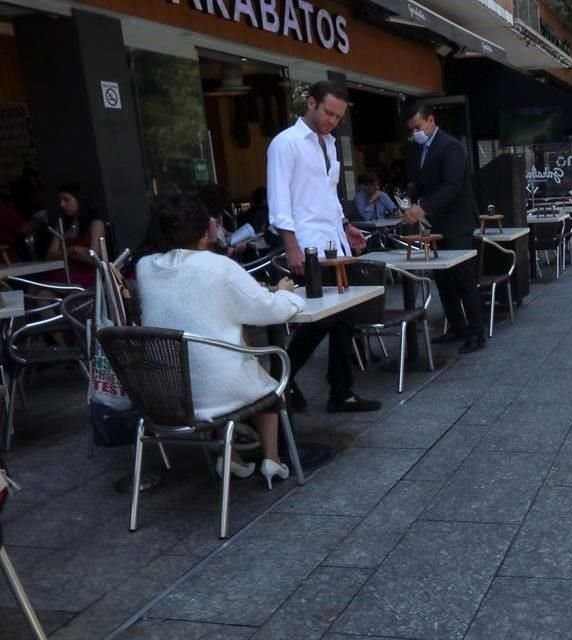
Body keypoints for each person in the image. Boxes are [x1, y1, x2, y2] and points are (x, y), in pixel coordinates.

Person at [137, 194, 302, 488]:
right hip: (217, 390)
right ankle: (272, 460)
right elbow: (267, 309)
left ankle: (232, 457)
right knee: (267, 380)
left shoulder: (145, 268)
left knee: (210, 359)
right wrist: (285, 292)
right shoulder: (219, 267)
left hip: (164, 395)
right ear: (204, 232)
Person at [266, 81, 380, 413]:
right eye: (328, 113)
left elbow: (328, 195)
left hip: (335, 243)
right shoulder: (285, 144)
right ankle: (281, 378)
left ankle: (341, 392)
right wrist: (292, 247)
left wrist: (346, 226)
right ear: (311, 103)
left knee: (343, 318)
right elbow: (279, 199)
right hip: (308, 245)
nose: (332, 121)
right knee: (321, 319)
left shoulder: (329, 145)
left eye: (338, 116)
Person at [403, 102, 485, 354]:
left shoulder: (450, 147)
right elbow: (423, 180)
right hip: (437, 224)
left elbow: (452, 185)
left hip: (457, 222)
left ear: (430, 120)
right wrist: (410, 195)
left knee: (463, 279)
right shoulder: (421, 149)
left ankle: (476, 332)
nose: (415, 132)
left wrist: (423, 207)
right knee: (443, 280)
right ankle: (457, 326)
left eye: (417, 127)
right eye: (411, 129)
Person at [47, 184, 107, 289]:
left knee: (44, 293)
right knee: (36, 290)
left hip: (86, 278)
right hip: (63, 275)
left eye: (66, 200)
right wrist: (72, 251)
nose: (62, 204)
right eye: (60, 201)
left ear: (79, 199)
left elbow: (93, 257)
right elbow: (50, 255)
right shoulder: (62, 225)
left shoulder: (95, 224)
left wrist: (64, 253)